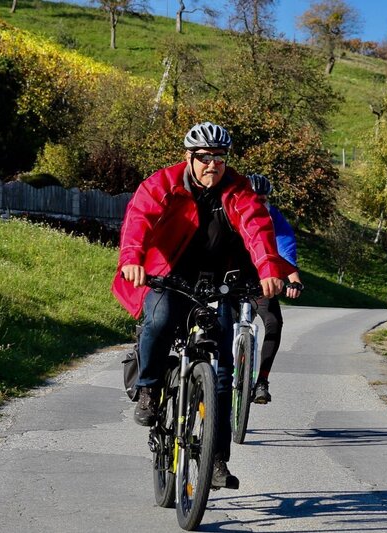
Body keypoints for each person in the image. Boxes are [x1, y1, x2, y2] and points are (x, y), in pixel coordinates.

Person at [112, 121, 295, 489]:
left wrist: (269, 269)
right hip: (169, 274)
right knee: (160, 320)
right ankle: (149, 389)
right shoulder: (163, 183)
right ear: (189, 157)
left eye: (220, 158)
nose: (213, 164)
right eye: (205, 157)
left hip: (219, 283)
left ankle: (215, 461)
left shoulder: (239, 190)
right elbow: (138, 219)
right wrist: (132, 257)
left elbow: (258, 228)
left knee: (224, 373)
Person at [244, 174, 303, 404]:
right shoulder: (232, 212)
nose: (259, 203)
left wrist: (294, 280)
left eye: (263, 199)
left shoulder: (275, 219)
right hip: (230, 281)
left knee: (274, 322)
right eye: (254, 198)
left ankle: (262, 381)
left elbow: (284, 252)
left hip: (261, 283)